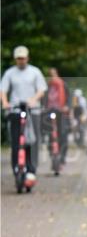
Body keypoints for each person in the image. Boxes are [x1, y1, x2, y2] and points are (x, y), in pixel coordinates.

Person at [1, 45, 46, 185]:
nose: (21, 61)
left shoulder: (35, 72)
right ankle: (17, 169)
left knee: (32, 141)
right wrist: (5, 102)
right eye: (19, 58)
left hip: (32, 111)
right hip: (15, 110)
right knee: (16, 142)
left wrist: (33, 100)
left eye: (23, 58)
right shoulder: (10, 73)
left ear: (27, 58)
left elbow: (41, 90)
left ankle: (31, 170)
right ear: (15, 59)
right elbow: (3, 89)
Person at [45, 67, 70, 166]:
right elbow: (44, 99)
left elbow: (68, 97)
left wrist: (67, 106)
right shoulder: (48, 86)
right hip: (50, 111)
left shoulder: (63, 84)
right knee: (51, 133)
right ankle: (53, 154)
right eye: (50, 74)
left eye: (54, 74)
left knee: (62, 134)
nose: (52, 76)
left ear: (57, 74)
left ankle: (62, 156)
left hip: (61, 112)